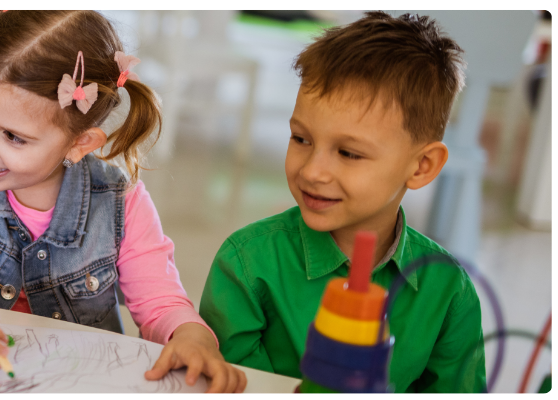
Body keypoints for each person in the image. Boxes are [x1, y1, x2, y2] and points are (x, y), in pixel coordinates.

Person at [0, 9, 246, 394]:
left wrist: (190, 337)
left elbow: (160, 301)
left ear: (79, 143)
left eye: (13, 136)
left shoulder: (122, 203)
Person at [199, 11, 485, 393]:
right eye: (301, 139)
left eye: (349, 153)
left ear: (422, 166)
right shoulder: (247, 265)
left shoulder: (449, 292)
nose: (313, 172)